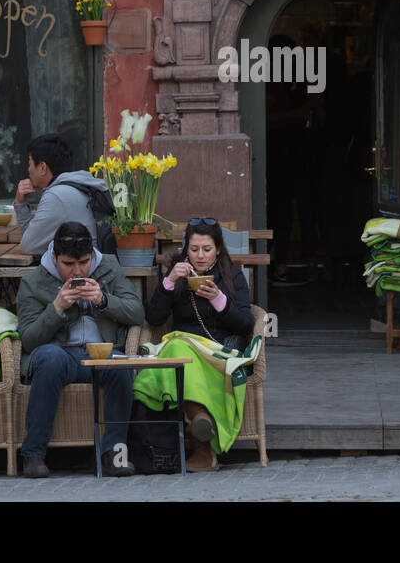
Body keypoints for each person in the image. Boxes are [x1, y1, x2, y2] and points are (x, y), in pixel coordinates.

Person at [17, 221, 143, 478]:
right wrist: (57, 308)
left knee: (119, 365)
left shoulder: (108, 266)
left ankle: (114, 454)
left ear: (92, 254)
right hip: (59, 352)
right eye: (68, 264)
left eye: (84, 262)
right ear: (54, 256)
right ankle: (34, 454)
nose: (77, 271)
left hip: (101, 351)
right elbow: (29, 339)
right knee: (50, 360)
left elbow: (137, 312)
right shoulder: (33, 281)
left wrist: (103, 300)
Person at [139, 217, 254, 471]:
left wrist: (219, 300)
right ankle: (200, 424)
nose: (200, 256)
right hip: (184, 348)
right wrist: (169, 281)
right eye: (194, 250)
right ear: (185, 250)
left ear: (218, 250)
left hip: (216, 351)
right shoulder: (177, 273)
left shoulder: (231, 276)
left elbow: (247, 324)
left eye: (207, 249)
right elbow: (154, 318)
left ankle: (201, 440)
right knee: (178, 349)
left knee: (178, 352)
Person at [15, 132, 111, 257]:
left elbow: (29, 246)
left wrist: (19, 204)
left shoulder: (56, 195)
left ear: (43, 167)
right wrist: (21, 203)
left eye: (29, 163)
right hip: (99, 262)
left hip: (85, 269)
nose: (28, 169)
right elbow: (34, 237)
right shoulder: (81, 183)